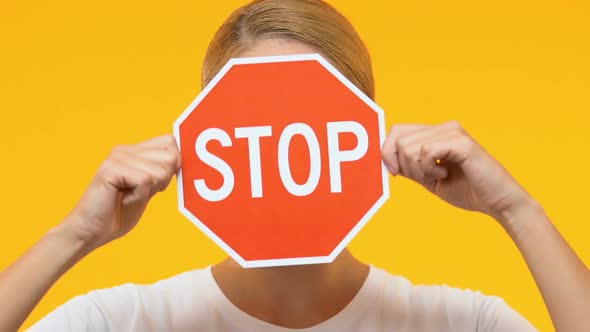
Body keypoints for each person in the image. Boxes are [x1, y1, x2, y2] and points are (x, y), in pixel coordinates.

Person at [1, 0, 589, 331]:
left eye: (308, 105)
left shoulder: (462, 322)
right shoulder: (120, 322)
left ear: (359, 129)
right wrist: (72, 236)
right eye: (254, 108)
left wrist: (518, 209)